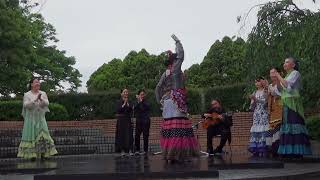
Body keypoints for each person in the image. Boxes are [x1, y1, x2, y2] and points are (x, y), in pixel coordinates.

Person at [155, 34, 199, 163]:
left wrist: (160, 102)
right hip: (176, 100)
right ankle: (180, 154)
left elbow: (157, 88)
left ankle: (170, 154)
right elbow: (182, 54)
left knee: (169, 127)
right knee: (179, 127)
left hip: (167, 101)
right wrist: (177, 41)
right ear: (173, 60)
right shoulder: (176, 67)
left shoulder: (165, 73)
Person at [272, 57, 311, 158]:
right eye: (284, 62)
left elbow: (287, 86)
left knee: (295, 124)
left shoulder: (295, 73)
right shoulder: (286, 76)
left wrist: (278, 76)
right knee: (287, 126)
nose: (284, 64)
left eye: (287, 62)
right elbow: (279, 91)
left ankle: (297, 151)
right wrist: (276, 79)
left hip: (293, 103)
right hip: (286, 103)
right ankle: (289, 151)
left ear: (293, 65)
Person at [17, 77, 58, 160]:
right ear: (31, 84)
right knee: (32, 135)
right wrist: (35, 100)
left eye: (39, 82)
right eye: (36, 82)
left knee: (44, 135)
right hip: (30, 120)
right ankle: (32, 155)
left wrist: (41, 99)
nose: (38, 84)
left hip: (41, 118)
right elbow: (26, 105)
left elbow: (46, 104)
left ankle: (44, 154)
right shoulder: (27, 94)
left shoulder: (43, 93)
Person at [248, 76, 270, 156]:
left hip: (263, 112)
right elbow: (252, 107)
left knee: (263, 129)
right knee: (256, 130)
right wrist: (253, 100)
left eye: (258, 81)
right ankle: (256, 149)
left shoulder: (266, 90)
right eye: (255, 82)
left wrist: (256, 99)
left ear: (262, 81)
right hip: (256, 113)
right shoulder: (255, 92)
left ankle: (264, 148)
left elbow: (266, 103)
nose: (256, 83)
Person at [267, 68, 282, 156]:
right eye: (270, 73)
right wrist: (269, 109)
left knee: (279, 127)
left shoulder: (281, 83)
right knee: (273, 129)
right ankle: (274, 148)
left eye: (273, 72)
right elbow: (269, 98)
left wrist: (273, 91)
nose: (272, 75)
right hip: (273, 109)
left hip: (280, 107)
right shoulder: (270, 85)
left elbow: (281, 94)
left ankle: (279, 148)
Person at [115, 88, 134, 156]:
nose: (126, 93)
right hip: (121, 120)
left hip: (128, 119)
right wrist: (124, 103)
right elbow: (118, 110)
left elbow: (131, 109)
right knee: (121, 135)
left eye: (127, 92)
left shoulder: (130, 101)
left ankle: (130, 150)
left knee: (129, 134)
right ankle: (122, 150)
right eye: (124, 92)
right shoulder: (118, 101)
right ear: (121, 94)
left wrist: (127, 103)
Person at [134, 89, 151, 155]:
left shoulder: (147, 102)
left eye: (143, 94)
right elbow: (134, 108)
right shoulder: (136, 102)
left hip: (146, 121)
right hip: (139, 121)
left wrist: (141, 101)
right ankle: (137, 150)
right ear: (138, 95)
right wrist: (138, 102)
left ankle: (145, 150)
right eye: (141, 94)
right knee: (137, 136)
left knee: (145, 136)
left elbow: (145, 108)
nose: (142, 96)